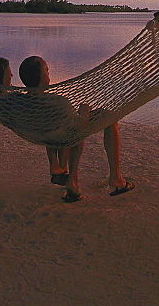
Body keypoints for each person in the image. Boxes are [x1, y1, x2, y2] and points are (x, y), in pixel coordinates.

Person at [19, 55, 134, 203]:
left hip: (46, 133)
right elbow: (79, 125)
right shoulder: (58, 103)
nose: (49, 73)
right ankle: (116, 178)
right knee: (108, 118)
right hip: (65, 134)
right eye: (47, 71)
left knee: (65, 130)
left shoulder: (19, 102)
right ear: (42, 77)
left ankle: (68, 179)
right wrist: (84, 111)